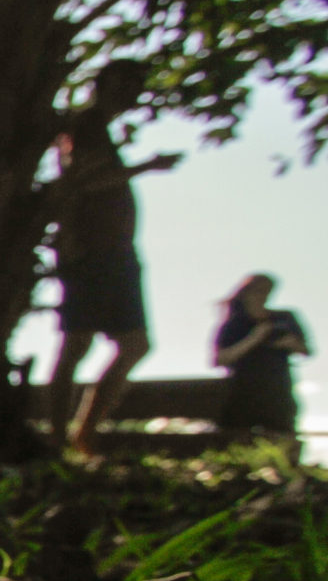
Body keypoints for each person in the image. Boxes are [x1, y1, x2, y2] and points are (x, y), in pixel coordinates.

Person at [46, 60, 181, 455]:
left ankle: (83, 435)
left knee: (133, 344)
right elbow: (84, 182)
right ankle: (61, 439)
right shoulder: (84, 126)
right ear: (102, 86)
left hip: (115, 251)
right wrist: (147, 166)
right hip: (91, 249)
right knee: (77, 344)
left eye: (135, 88)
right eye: (123, 87)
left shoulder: (97, 130)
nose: (129, 96)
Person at [214, 272, 310, 434]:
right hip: (244, 392)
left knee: (283, 435)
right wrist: (255, 338)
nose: (263, 295)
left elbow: (305, 350)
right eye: (259, 291)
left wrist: (291, 343)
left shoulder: (284, 318)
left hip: (279, 391)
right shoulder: (235, 324)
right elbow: (220, 359)